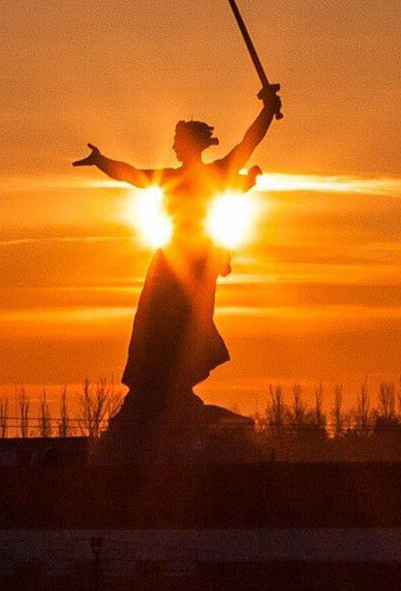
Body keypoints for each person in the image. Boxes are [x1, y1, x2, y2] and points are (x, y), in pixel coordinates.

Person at [73, 85, 282, 427]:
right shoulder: (174, 176)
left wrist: (267, 110)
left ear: (190, 144)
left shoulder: (215, 173)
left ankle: (173, 388)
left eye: (177, 139)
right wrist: (101, 161)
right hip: (170, 260)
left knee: (184, 326)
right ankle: (155, 389)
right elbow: (132, 175)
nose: (172, 144)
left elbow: (248, 143)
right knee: (151, 325)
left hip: (196, 261)